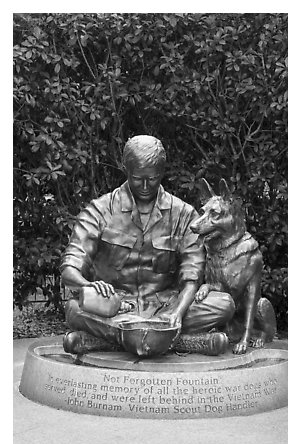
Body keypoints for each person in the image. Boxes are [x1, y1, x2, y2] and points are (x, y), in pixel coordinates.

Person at [61, 135, 235, 354]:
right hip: (114, 308)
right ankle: (169, 340)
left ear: (161, 174)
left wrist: (177, 313)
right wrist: (86, 286)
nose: (144, 186)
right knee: (74, 308)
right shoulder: (100, 210)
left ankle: (116, 340)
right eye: (137, 178)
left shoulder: (183, 214)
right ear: (126, 170)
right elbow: (70, 267)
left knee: (223, 304)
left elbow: (192, 275)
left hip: (165, 306)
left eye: (152, 179)